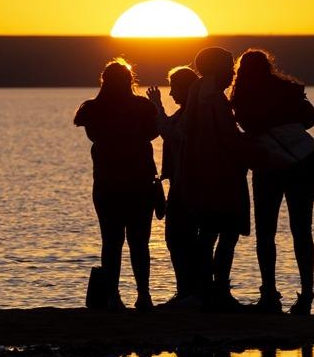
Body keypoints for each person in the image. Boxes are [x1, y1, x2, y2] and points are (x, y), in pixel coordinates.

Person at [232, 49, 314, 315]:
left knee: (266, 233)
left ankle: (269, 294)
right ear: (268, 66)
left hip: (267, 166)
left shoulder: (242, 96)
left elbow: (247, 127)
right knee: (302, 231)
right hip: (300, 165)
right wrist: (290, 127)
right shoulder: (289, 89)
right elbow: (312, 118)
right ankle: (306, 295)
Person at [75, 58, 159, 310]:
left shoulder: (92, 109)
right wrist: (155, 107)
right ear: (129, 81)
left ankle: (113, 297)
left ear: (104, 81)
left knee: (111, 241)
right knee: (139, 241)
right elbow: (153, 133)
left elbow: (92, 135)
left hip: (107, 183)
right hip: (139, 182)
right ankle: (143, 296)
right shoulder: (142, 107)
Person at [179, 47, 250, 311]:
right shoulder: (214, 99)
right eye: (229, 66)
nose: (232, 72)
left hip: (199, 175)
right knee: (227, 234)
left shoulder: (197, 93)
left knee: (206, 235)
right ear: (218, 69)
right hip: (221, 177)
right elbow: (227, 138)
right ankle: (218, 292)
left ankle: (203, 290)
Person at [146, 65, 201, 306]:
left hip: (188, 186)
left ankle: (189, 293)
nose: (171, 94)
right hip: (181, 184)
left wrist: (157, 106)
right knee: (178, 239)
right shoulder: (186, 113)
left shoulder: (193, 114)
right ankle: (186, 291)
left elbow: (171, 134)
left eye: (175, 88)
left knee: (179, 238)